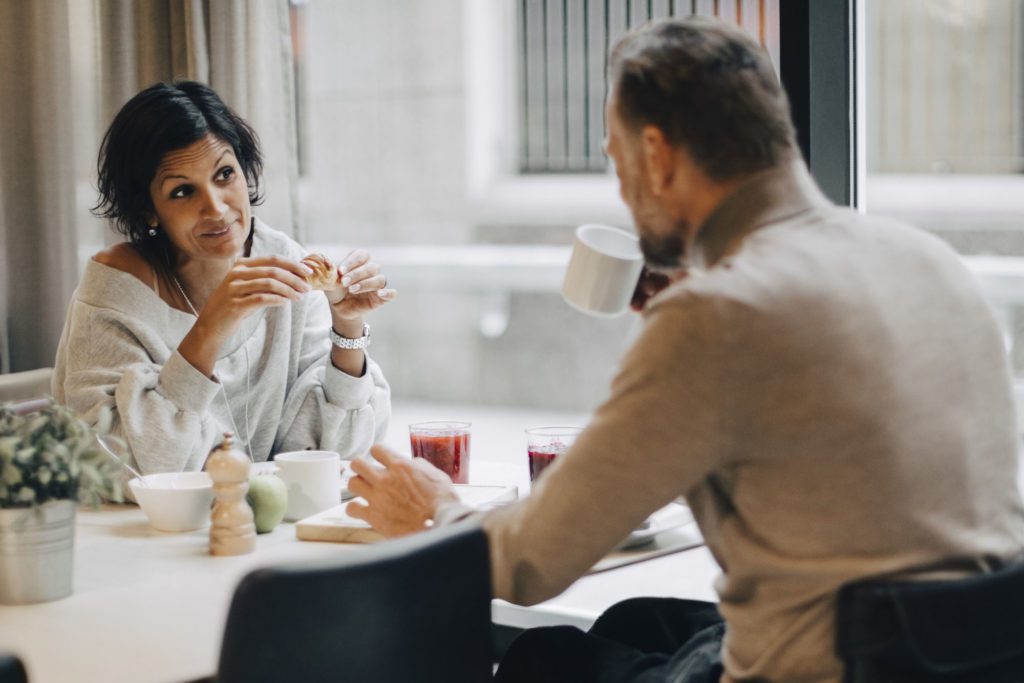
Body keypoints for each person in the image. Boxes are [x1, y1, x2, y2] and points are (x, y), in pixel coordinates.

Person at [343, 16, 1024, 683]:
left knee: (543, 657)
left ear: (658, 156)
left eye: (617, 162)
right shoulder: (931, 260)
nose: (621, 191)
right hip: (971, 650)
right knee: (638, 623)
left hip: (843, 662)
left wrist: (433, 509)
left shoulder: (717, 316)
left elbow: (528, 564)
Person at [53, 81, 393, 475]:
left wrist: (347, 324)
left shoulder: (284, 261)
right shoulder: (115, 293)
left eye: (225, 174)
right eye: (182, 191)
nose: (215, 208)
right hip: (156, 530)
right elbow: (118, 462)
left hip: (272, 526)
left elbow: (336, 453)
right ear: (148, 210)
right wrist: (212, 325)